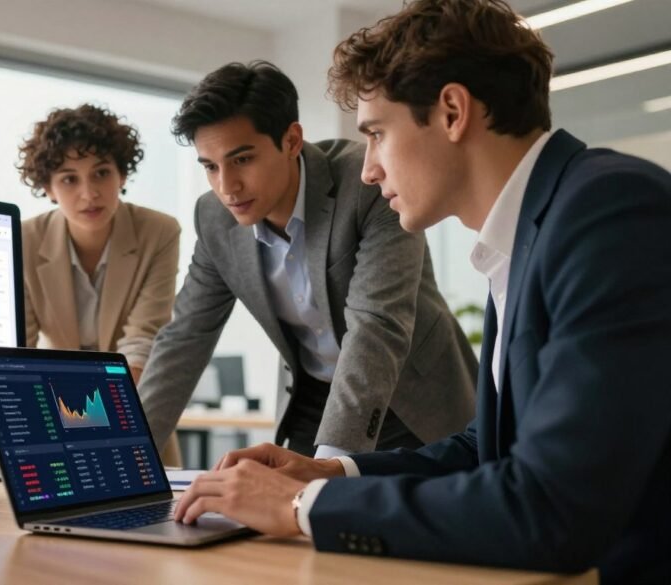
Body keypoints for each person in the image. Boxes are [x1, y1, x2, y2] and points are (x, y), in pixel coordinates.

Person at [173, 2, 671, 583]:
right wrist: (328, 475)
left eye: (378, 135)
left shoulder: (606, 214)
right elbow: (489, 446)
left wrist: (296, 508)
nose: (369, 169)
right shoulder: (533, 230)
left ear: (453, 112)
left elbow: (550, 509)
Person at [138, 61, 477, 463]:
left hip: (413, 399)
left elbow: (377, 327)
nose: (227, 187)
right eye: (210, 167)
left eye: (242, 159)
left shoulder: (367, 184)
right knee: (292, 522)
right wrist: (131, 455)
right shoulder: (214, 218)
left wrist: (327, 470)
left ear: (292, 140)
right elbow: (184, 339)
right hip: (313, 403)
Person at [0, 104, 182, 470]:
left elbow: (143, 339)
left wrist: (101, 423)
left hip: (137, 418)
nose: (89, 193)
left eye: (101, 173)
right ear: (48, 188)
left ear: (122, 174)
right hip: (56, 421)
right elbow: (14, 352)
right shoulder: (24, 240)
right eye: (69, 178)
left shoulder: (159, 232)